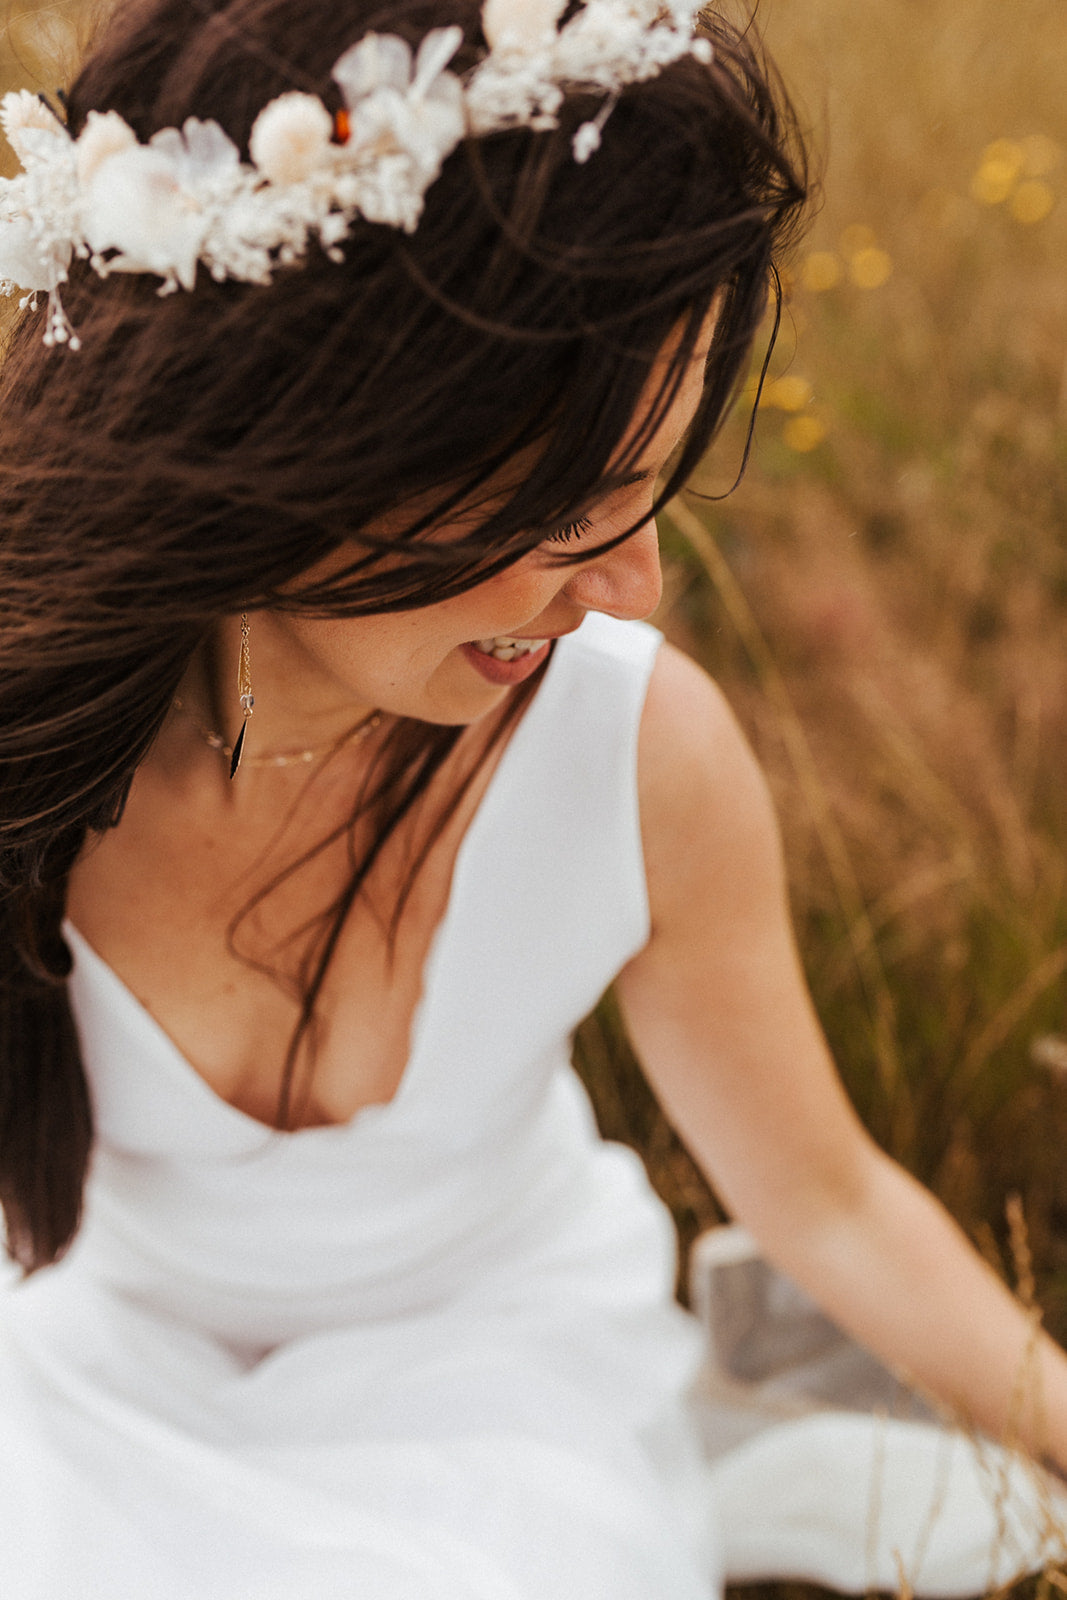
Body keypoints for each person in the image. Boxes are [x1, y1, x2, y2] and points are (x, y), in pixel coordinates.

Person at [0, 1, 1064, 1595]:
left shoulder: (637, 759)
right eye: (570, 512)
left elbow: (831, 1202)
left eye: (650, 501)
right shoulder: (30, 744)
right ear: (303, 439)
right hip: (95, 1377)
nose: (632, 594)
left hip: (493, 1379)